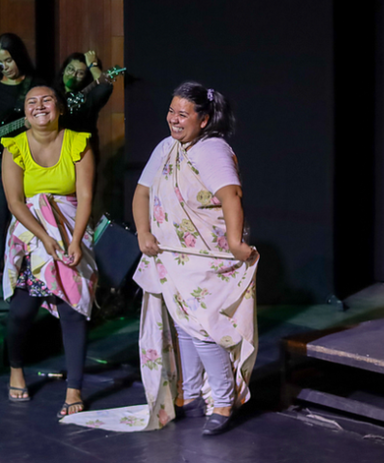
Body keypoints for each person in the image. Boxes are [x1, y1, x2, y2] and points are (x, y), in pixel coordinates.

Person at [67, 82, 259, 435]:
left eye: (182, 114)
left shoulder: (212, 150)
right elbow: (142, 193)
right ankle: (189, 394)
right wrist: (143, 232)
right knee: (184, 327)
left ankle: (222, 399)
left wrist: (234, 242)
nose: (173, 119)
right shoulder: (166, 148)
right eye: (171, 111)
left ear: (203, 120)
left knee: (204, 330)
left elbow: (231, 196)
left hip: (205, 257)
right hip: (172, 256)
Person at [0, 85, 98, 419]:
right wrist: (44, 237)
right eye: (32, 102)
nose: (39, 106)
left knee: (73, 309)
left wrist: (75, 241)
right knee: (21, 312)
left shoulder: (78, 143)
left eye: (47, 100)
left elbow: (84, 198)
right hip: (32, 235)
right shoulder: (14, 147)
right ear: (24, 112)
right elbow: (14, 201)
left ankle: (74, 389)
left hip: (72, 231)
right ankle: (15, 368)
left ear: (59, 107)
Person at [0, 33, 42, 306]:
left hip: (24, 164)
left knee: (24, 224)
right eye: (0, 62)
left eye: (9, 60)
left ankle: (25, 286)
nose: (5, 67)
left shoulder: (33, 85)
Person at [57, 51, 113, 154]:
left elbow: (105, 85)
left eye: (80, 73)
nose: (73, 75)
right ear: (63, 70)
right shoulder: (52, 92)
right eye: (70, 69)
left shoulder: (88, 97)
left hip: (80, 152)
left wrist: (92, 65)